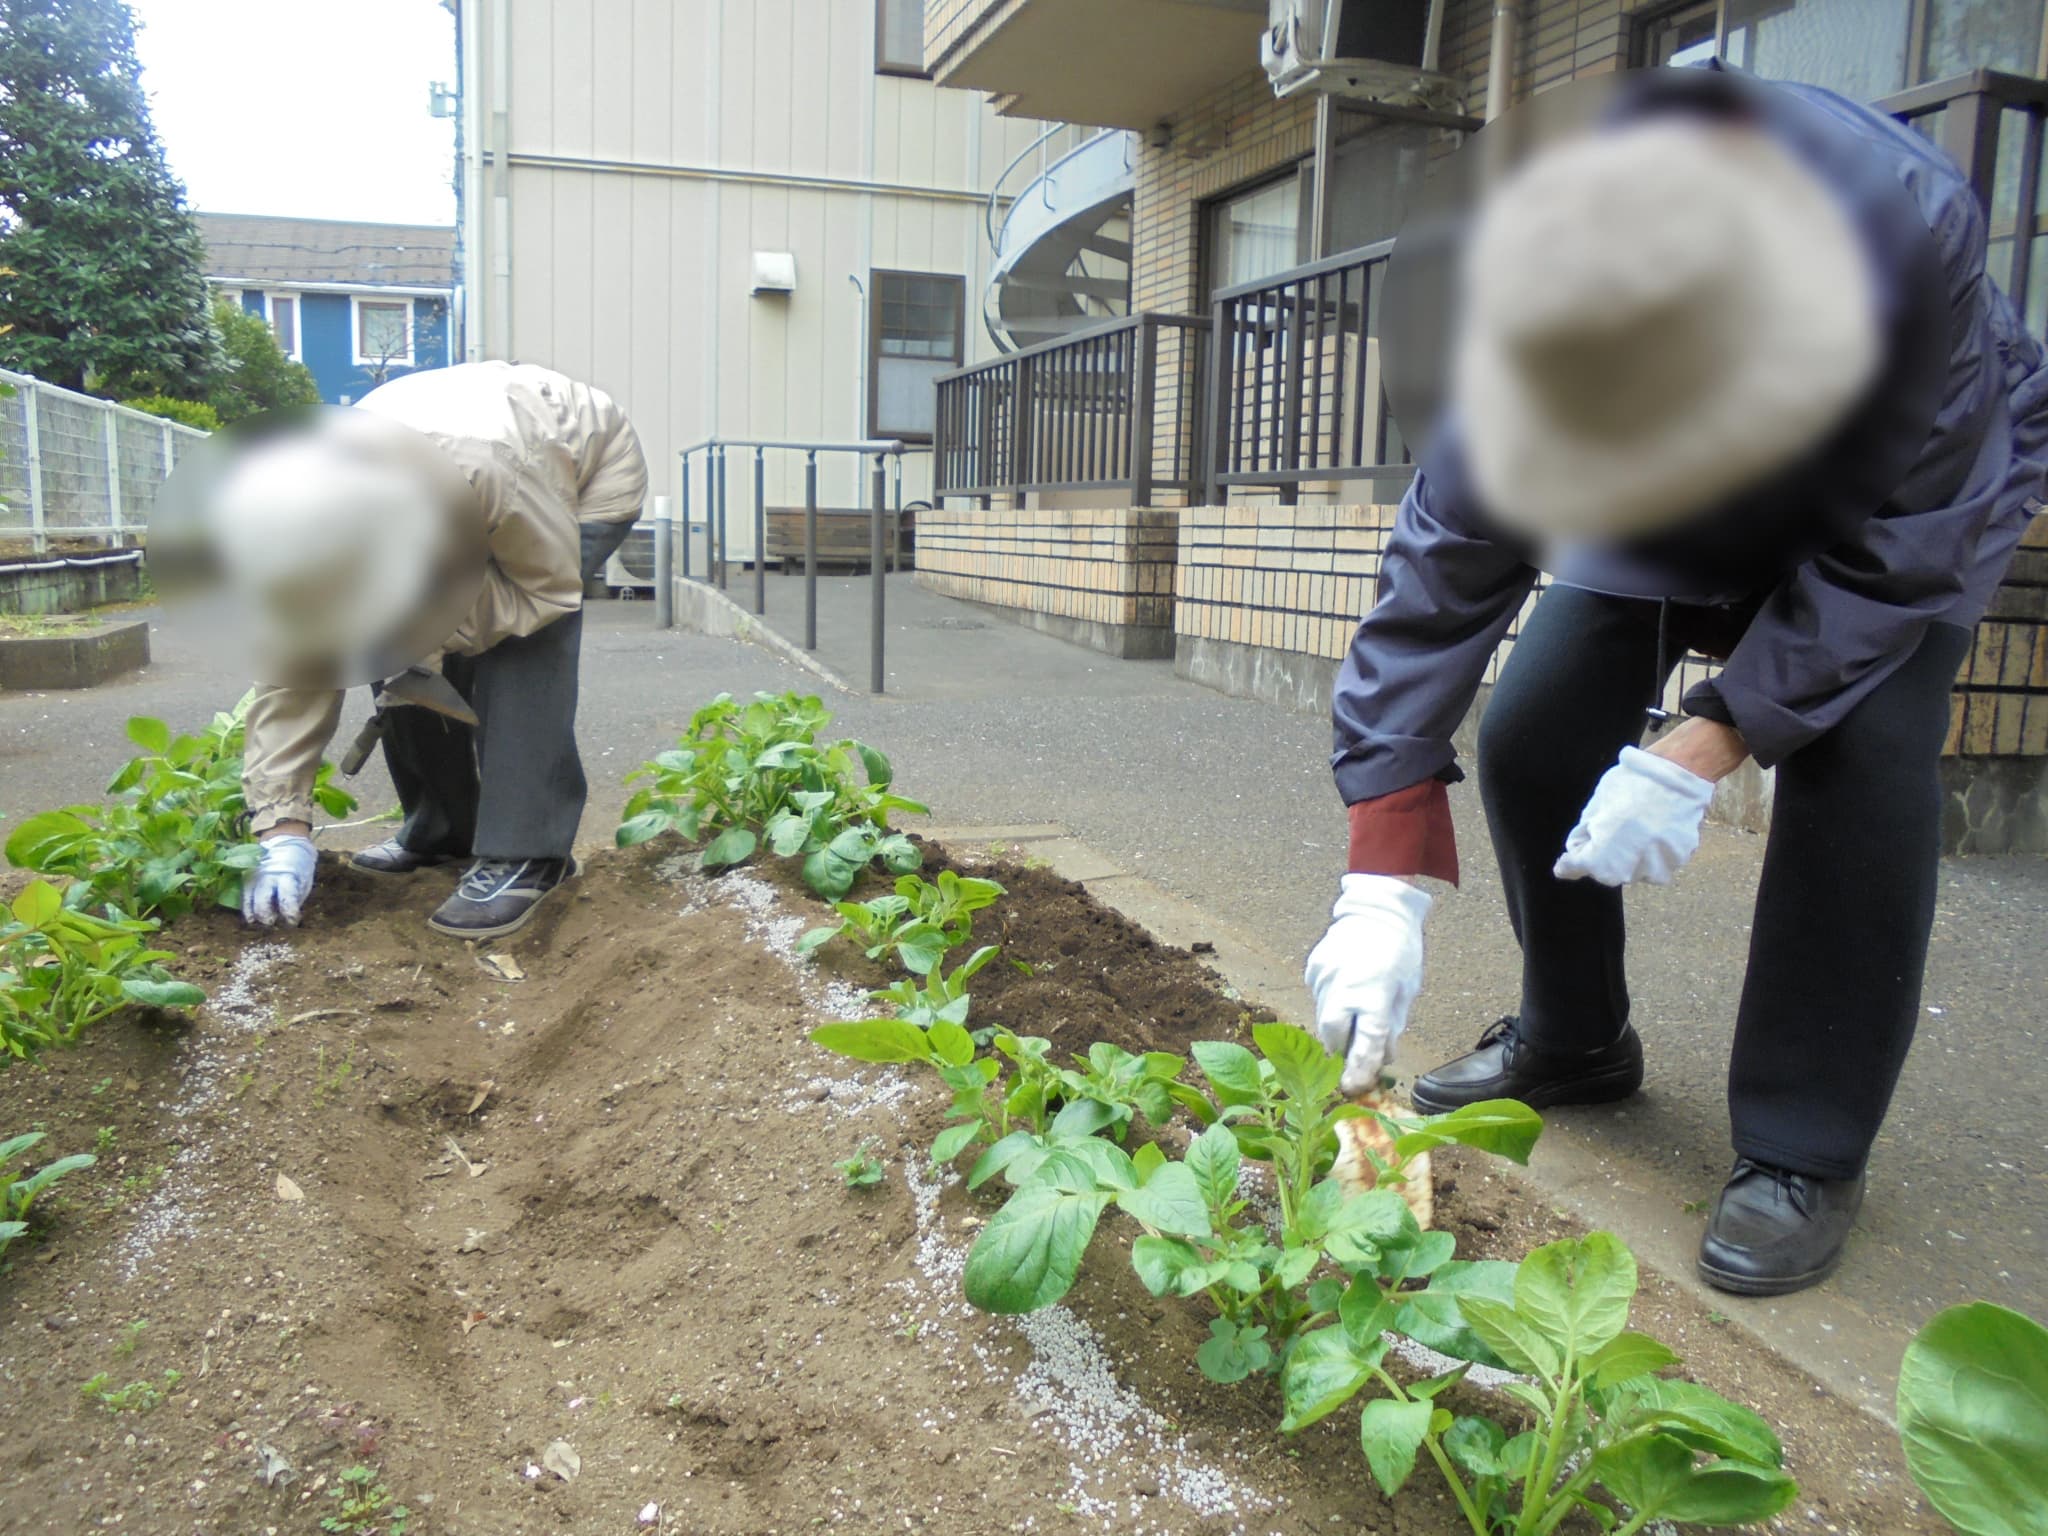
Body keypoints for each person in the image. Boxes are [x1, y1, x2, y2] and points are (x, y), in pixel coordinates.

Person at [1303, 65, 2048, 1296]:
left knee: (1858, 755)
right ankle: (1575, 1036)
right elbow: (1442, 569)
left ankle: (1804, 1142)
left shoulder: (1901, 254)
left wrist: (1705, 740)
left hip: (1895, 504)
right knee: (1538, 729)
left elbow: (1900, 557)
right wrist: (1380, 874)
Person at [228, 361, 648, 939]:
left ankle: (527, 852)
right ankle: (443, 828)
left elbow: (544, 591)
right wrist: (281, 829)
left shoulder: (483, 470)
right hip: (458, 452)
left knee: (519, 643)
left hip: (570, 474)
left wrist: (423, 636)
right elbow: (294, 671)